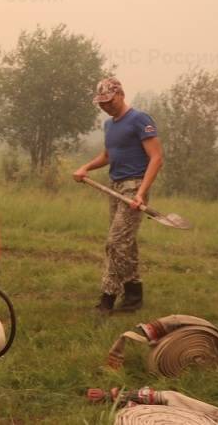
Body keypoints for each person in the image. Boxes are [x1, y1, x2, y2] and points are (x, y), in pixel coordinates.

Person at [73, 77, 164, 314]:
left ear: (121, 95)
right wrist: (85, 168)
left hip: (134, 188)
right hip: (114, 188)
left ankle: (107, 298)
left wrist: (141, 193)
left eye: (109, 101)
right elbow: (108, 156)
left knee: (114, 244)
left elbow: (156, 157)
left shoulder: (140, 119)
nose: (106, 106)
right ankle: (134, 294)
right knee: (126, 244)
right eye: (101, 103)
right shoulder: (109, 125)